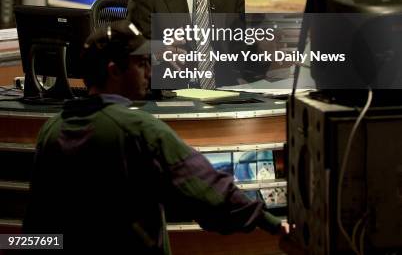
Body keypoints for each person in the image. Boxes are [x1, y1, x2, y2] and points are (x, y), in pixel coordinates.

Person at [23, 22, 289, 254]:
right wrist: (274, 224)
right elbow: (208, 190)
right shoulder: (138, 129)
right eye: (141, 64)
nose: (150, 72)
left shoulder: (51, 130)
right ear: (114, 71)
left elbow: (36, 228)